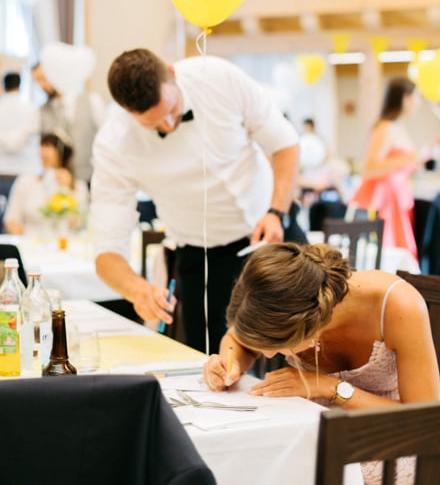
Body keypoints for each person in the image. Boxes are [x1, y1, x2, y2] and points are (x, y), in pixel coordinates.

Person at [89, 49, 305, 353]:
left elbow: (284, 143)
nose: (167, 125)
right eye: (152, 123)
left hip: (272, 228)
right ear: (126, 112)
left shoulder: (217, 77)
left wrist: (276, 211)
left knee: (310, 341)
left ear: (173, 74)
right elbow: (107, 251)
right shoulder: (113, 144)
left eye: (172, 110)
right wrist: (138, 291)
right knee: (214, 361)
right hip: (201, 256)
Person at [201, 242, 440, 485]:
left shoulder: (399, 305)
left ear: (309, 328)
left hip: (389, 441)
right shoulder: (290, 293)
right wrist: (229, 363)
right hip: (309, 432)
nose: (268, 356)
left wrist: (329, 388)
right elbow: (236, 339)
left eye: (275, 347)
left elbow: (424, 421)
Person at [349, 77, 429, 268]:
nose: (418, 103)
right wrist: (413, 157)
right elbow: (369, 168)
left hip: (399, 198)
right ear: (405, 98)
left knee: (400, 252)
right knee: (389, 252)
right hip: (384, 200)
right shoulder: (385, 128)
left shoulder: (399, 128)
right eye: (416, 97)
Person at [32, 61, 105, 187]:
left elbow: (105, 143)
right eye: (37, 81)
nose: (41, 85)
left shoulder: (92, 101)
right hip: (57, 184)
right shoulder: (42, 111)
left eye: (43, 79)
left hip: (90, 180)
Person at [4, 132, 88, 236]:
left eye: (49, 146)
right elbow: (11, 220)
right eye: (42, 146)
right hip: (30, 242)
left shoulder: (78, 186)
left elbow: (78, 225)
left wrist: (67, 189)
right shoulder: (26, 182)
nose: (43, 151)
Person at [0, 72, 40, 228]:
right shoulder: (31, 109)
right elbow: (18, 142)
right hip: (24, 172)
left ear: (4, 86)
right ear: (20, 85)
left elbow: (11, 144)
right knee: (16, 222)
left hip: (2, 171)